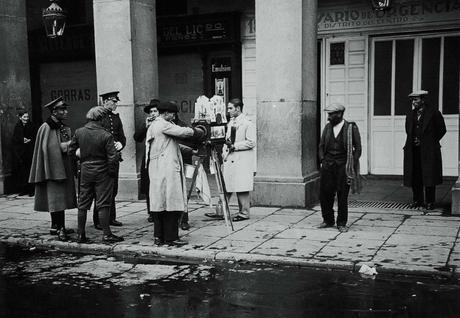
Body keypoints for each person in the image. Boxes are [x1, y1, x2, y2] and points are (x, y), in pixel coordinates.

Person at [146, 101, 205, 246]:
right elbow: (183, 132)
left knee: (159, 205)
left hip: (158, 168)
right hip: (166, 170)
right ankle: (171, 237)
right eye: (172, 114)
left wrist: (191, 151)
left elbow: (171, 145)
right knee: (171, 204)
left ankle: (158, 237)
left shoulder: (154, 125)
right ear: (165, 113)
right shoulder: (163, 124)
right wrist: (200, 130)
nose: (173, 116)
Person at [69, 106, 123, 243]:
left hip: (86, 170)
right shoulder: (106, 135)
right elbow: (113, 157)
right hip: (103, 171)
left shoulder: (79, 132)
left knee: (83, 203)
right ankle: (106, 234)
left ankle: (81, 234)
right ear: (101, 118)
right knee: (103, 204)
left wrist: (81, 157)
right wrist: (111, 173)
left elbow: (71, 150)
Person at [28, 97, 77, 241]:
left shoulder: (61, 126)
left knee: (58, 199)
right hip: (52, 169)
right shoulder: (46, 127)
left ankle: (56, 225)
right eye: (62, 109)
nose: (65, 112)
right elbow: (49, 148)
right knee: (56, 200)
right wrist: (68, 144)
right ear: (54, 112)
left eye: (65, 109)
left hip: (61, 168)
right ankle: (59, 228)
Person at [318, 103, 361, 233]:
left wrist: (351, 163)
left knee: (342, 195)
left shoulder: (351, 128)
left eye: (331, 114)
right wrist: (322, 160)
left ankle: (341, 223)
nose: (329, 117)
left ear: (340, 114)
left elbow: (358, 148)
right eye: (329, 114)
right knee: (325, 194)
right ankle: (328, 220)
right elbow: (321, 145)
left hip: (344, 166)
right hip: (328, 165)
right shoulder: (327, 127)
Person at [403, 90, 446, 210]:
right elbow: (408, 130)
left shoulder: (434, 113)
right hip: (414, 150)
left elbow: (442, 130)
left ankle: (430, 202)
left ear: (423, 100)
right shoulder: (410, 114)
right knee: (415, 175)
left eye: (416, 99)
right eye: (412, 100)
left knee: (429, 175)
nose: (413, 102)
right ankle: (417, 200)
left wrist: (429, 142)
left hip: (429, 151)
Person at [93, 91, 126, 229]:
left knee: (113, 189)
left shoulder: (116, 118)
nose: (115, 104)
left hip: (114, 158)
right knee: (101, 190)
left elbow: (122, 137)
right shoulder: (98, 116)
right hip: (103, 158)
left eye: (116, 101)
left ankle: (111, 218)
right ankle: (98, 220)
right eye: (113, 101)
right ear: (105, 101)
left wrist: (121, 144)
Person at [221, 98, 256, 222]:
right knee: (226, 185)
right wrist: (224, 153)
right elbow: (227, 140)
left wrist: (235, 146)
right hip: (230, 158)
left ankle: (244, 213)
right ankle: (221, 211)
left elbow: (251, 142)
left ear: (238, 108)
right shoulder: (230, 123)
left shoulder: (247, 123)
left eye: (230, 108)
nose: (228, 110)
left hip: (241, 159)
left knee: (242, 187)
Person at [133, 99, 160, 223]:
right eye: (151, 112)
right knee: (149, 185)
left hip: (161, 157)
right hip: (149, 158)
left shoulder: (164, 123)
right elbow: (137, 138)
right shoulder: (148, 124)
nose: (153, 114)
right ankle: (151, 211)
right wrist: (146, 127)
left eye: (155, 111)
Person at [12, 109, 36, 196]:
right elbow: (15, 139)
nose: (26, 118)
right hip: (21, 153)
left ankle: (31, 190)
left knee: (30, 171)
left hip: (30, 152)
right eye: (24, 117)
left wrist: (29, 140)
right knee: (22, 172)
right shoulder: (17, 126)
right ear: (20, 117)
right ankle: (24, 189)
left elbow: (35, 136)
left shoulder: (32, 125)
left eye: (27, 117)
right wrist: (22, 140)